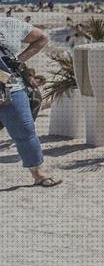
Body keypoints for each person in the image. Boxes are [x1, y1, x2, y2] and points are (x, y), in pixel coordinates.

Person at [0, 17, 60, 187]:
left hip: (9, 85)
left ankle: (38, 173)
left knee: (25, 129)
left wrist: (19, 60)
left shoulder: (9, 24)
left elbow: (42, 38)